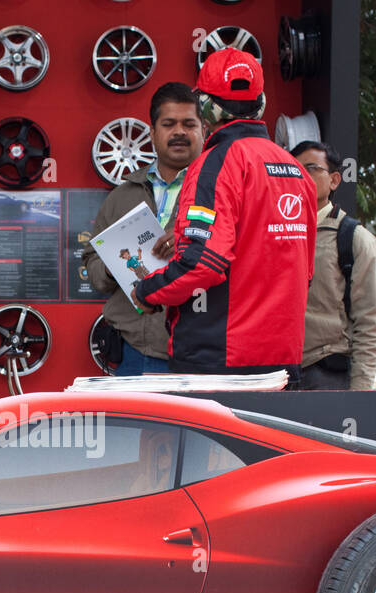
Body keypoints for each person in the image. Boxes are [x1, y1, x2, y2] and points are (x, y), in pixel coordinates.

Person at [133, 50, 316, 383]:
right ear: (260, 102)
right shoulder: (295, 170)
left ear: (204, 105)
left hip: (218, 362)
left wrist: (147, 291)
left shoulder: (215, 164)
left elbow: (202, 262)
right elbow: (305, 271)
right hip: (284, 361)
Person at [83, 82, 205, 376]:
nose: (179, 132)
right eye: (168, 124)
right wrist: (114, 266)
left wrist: (193, 246)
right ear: (152, 133)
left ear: (204, 131)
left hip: (204, 352)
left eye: (189, 124)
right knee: (141, 425)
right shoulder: (123, 194)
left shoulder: (220, 189)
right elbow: (91, 263)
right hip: (136, 353)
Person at [290, 140, 376, 390]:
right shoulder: (275, 233)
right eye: (293, 169)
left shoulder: (355, 239)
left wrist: (359, 392)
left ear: (334, 180)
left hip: (328, 377)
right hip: (276, 378)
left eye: (311, 168)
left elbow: (372, 323)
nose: (301, 176)